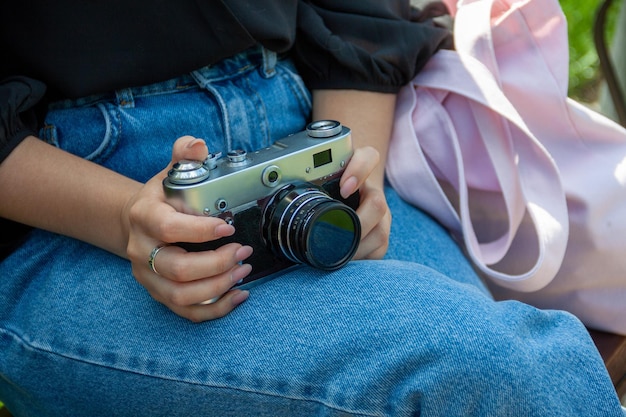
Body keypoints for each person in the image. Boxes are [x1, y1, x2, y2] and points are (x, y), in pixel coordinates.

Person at [0, 1, 624, 416]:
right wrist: (126, 220)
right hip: (65, 206)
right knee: (488, 366)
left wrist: (344, 166)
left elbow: (360, 12)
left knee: (505, 357)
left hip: (303, 125)